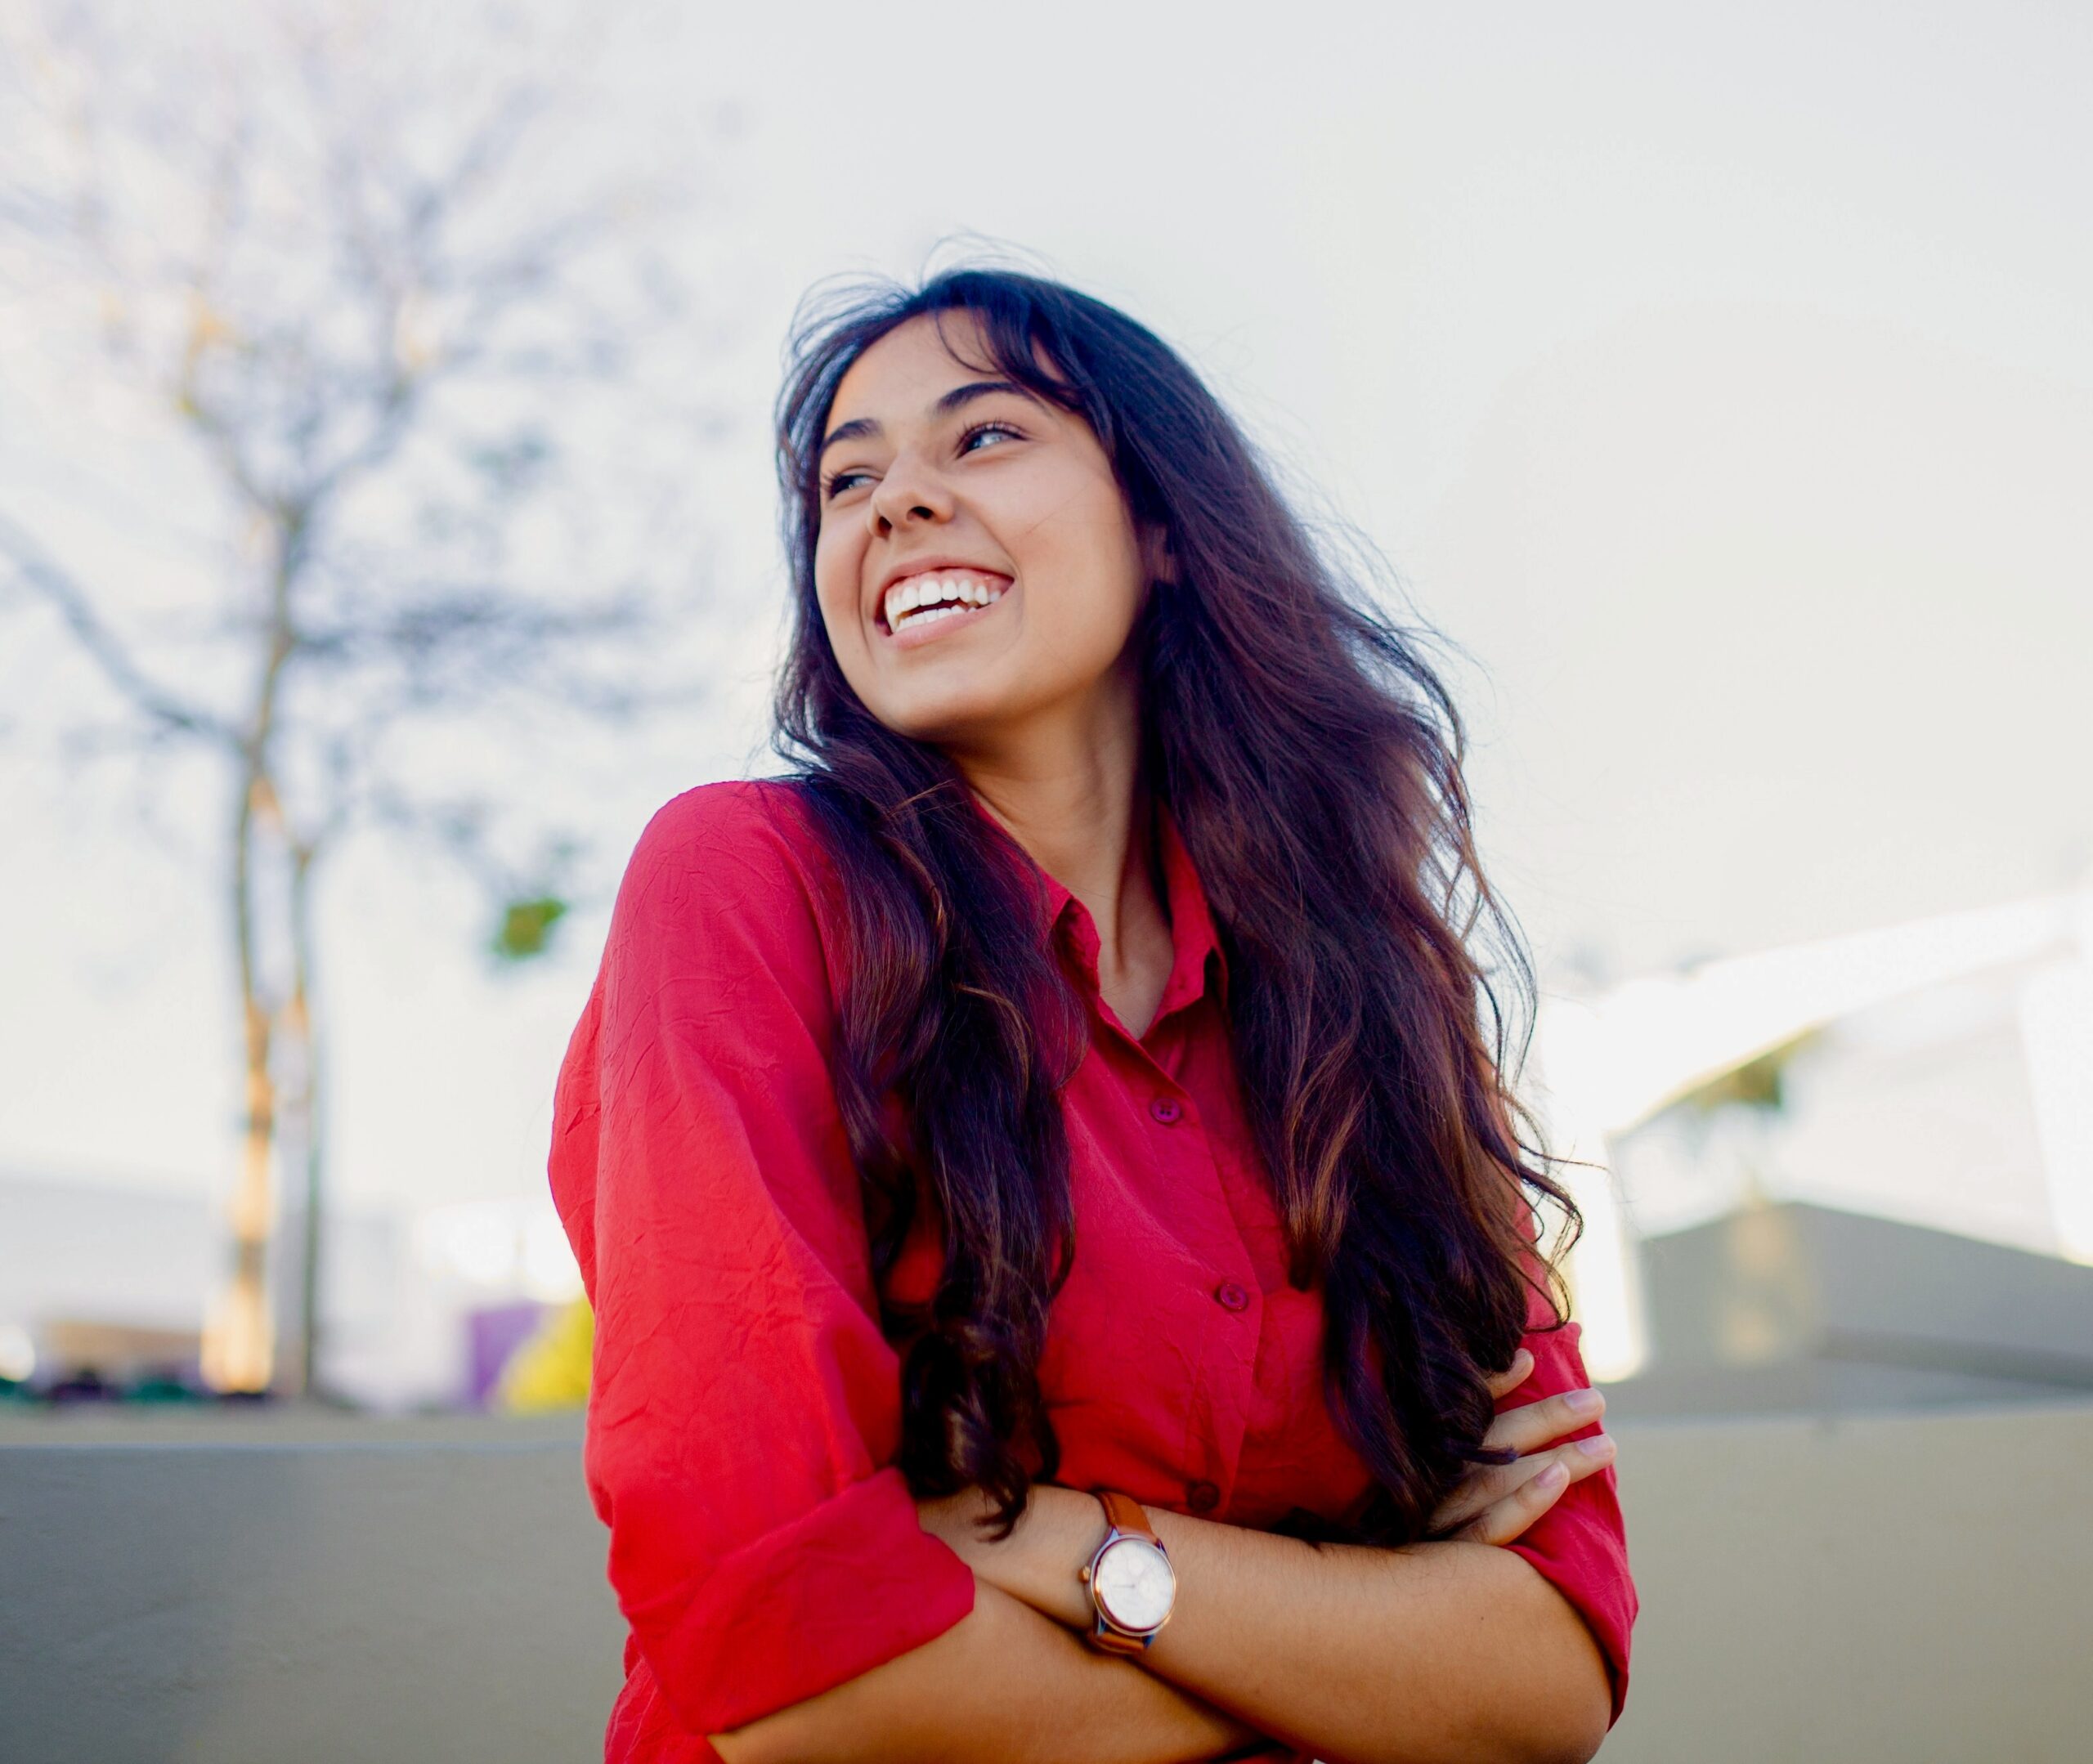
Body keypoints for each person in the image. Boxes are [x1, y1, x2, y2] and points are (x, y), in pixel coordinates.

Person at [548, 266, 1636, 1764]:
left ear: (1168, 526)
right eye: (845, 478)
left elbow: (1551, 1676)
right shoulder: (745, 882)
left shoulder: (1378, 999)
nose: (893, 503)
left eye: (982, 437)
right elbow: (803, 1672)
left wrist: (1056, 1547)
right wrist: (1353, 1641)